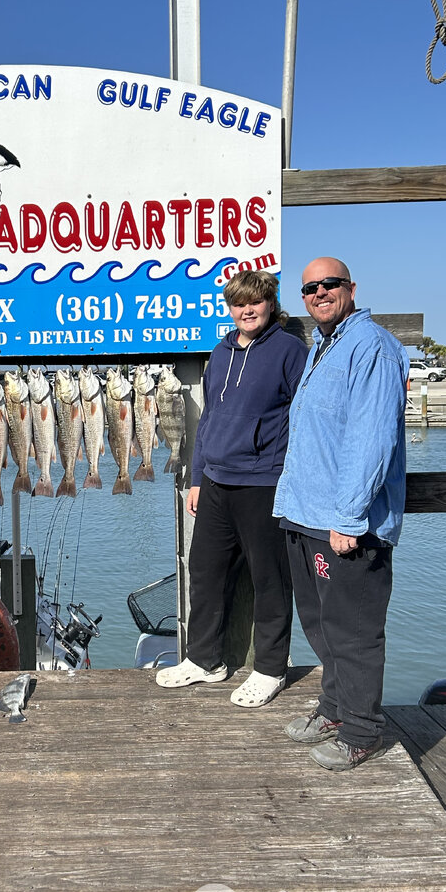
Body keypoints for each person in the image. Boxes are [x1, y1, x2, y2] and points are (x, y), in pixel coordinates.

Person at [274, 257, 409, 770]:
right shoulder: (323, 345)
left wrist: (350, 518)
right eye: (310, 288)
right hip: (306, 514)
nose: (319, 293)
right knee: (321, 624)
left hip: (347, 526)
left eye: (329, 284)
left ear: (351, 287)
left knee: (353, 631)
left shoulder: (371, 346)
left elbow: (370, 439)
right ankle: (334, 709)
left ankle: (361, 731)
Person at [157, 269, 307, 705]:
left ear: (270, 304)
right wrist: (198, 477)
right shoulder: (220, 352)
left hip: (265, 482)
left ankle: (271, 669)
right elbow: (208, 420)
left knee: (270, 580)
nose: (247, 310)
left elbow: (305, 417)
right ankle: (205, 660)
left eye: (255, 302)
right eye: (239, 304)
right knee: (204, 573)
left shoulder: (290, 351)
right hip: (216, 483)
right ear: (230, 308)